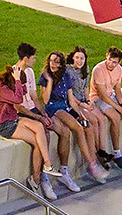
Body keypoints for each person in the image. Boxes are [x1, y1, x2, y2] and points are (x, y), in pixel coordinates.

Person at [0, 58, 60, 197]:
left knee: (39, 126)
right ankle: (36, 179)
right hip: (6, 125)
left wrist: (19, 81)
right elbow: (18, 99)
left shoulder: (11, 85)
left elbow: (22, 91)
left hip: (14, 118)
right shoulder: (1, 87)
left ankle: (47, 165)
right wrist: (17, 80)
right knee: (37, 142)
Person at [39, 50, 107, 185]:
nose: (53, 64)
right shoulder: (45, 76)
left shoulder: (65, 76)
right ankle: (92, 164)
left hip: (66, 106)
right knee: (78, 128)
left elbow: (70, 99)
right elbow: (45, 100)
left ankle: (92, 161)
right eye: (52, 61)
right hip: (54, 108)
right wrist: (50, 82)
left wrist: (80, 113)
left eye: (57, 62)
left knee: (86, 125)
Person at [69, 46, 122, 169]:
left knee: (101, 119)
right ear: (72, 58)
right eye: (77, 58)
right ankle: (94, 157)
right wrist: (81, 104)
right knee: (92, 121)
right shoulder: (69, 71)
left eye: (82, 58)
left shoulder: (85, 69)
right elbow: (70, 94)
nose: (79, 61)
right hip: (76, 103)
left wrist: (88, 101)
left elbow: (85, 88)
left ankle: (102, 151)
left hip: (85, 101)